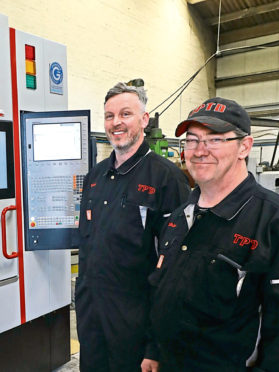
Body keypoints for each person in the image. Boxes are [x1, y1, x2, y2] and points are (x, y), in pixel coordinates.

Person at [149, 97, 279, 371]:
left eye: (215, 139)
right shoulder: (180, 216)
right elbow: (167, 294)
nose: (199, 150)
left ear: (245, 146)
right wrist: (155, 350)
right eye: (192, 140)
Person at [75, 82, 190, 372]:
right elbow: (88, 252)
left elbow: (176, 270)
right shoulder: (95, 177)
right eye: (110, 116)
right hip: (92, 321)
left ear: (144, 119)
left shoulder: (167, 178)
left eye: (125, 114)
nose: (116, 123)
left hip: (136, 327)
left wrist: (157, 345)